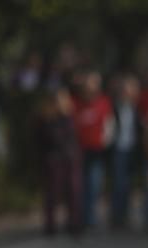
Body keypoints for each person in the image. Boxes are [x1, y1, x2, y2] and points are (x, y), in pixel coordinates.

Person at [34, 87, 81, 237]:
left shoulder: (70, 117)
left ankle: (73, 224)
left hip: (70, 158)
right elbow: (41, 140)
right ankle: (50, 225)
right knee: (52, 194)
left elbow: (74, 137)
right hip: (54, 159)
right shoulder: (46, 119)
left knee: (73, 192)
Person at [73, 70, 112, 231]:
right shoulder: (76, 104)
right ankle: (82, 217)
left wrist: (106, 140)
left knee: (94, 184)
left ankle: (91, 217)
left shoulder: (103, 102)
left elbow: (109, 124)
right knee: (81, 185)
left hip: (97, 151)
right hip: (80, 150)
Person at [109, 74, 143, 231]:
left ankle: (126, 216)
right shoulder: (114, 108)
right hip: (118, 150)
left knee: (129, 185)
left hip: (132, 150)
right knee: (119, 184)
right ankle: (117, 217)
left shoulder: (135, 109)